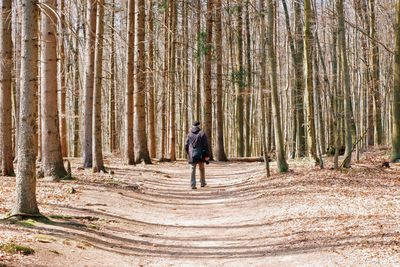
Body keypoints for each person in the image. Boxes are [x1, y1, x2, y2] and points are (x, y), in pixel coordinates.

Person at [184, 121, 210, 189]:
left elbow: (186, 145)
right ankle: (202, 182)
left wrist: (188, 153)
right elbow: (206, 145)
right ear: (199, 125)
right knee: (201, 168)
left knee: (192, 169)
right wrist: (207, 155)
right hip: (201, 153)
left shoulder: (189, 134)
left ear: (192, 126)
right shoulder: (202, 133)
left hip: (192, 154)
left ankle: (193, 184)